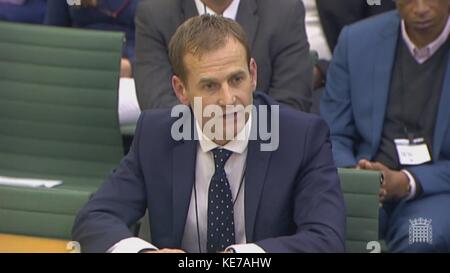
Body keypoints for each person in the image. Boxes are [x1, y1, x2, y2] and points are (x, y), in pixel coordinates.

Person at [73, 15, 345, 253]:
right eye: (210, 86)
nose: (228, 100)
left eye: (236, 80)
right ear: (181, 90)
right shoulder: (156, 134)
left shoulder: (301, 137)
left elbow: (326, 241)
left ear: (252, 74)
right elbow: (96, 217)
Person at [321, 0, 450, 252]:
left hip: (435, 191)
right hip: (367, 185)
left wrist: (406, 181)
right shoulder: (356, 40)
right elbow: (332, 134)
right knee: (326, 229)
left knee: (420, 238)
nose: (421, 8)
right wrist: (357, 177)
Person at [134, 0, 313, 112]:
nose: (227, 101)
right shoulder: (154, 14)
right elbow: (157, 104)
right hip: (185, 152)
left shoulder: (284, 11)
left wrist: (232, 133)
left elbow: (291, 103)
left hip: (264, 151)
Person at [45, 0, 139, 77]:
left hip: (137, 67)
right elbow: (52, 39)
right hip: (80, 67)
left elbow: (152, 39)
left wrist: (133, 67)